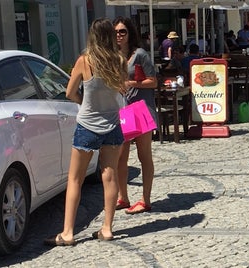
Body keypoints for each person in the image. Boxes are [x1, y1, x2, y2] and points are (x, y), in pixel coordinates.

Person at [44, 18, 127, 246]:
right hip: (112, 125)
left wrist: (84, 103)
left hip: (88, 125)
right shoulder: (120, 61)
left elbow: (70, 92)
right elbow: (121, 91)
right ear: (111, 35)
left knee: (75, 179)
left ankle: (68, 232)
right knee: (109, 177)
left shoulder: (84, 61)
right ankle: (107, 228)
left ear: (92, 36)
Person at [113, 17, 159, 215]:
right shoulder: (113, 56)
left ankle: (145, 199)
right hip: (122, 110)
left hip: (141, 109)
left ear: (130, 33)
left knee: (143, 155)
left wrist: (132, 84)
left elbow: (153, 81)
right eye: (115, 32)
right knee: (120, 157)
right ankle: (123, 197)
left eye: (122, 31)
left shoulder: (140, 55)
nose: (119, 35)